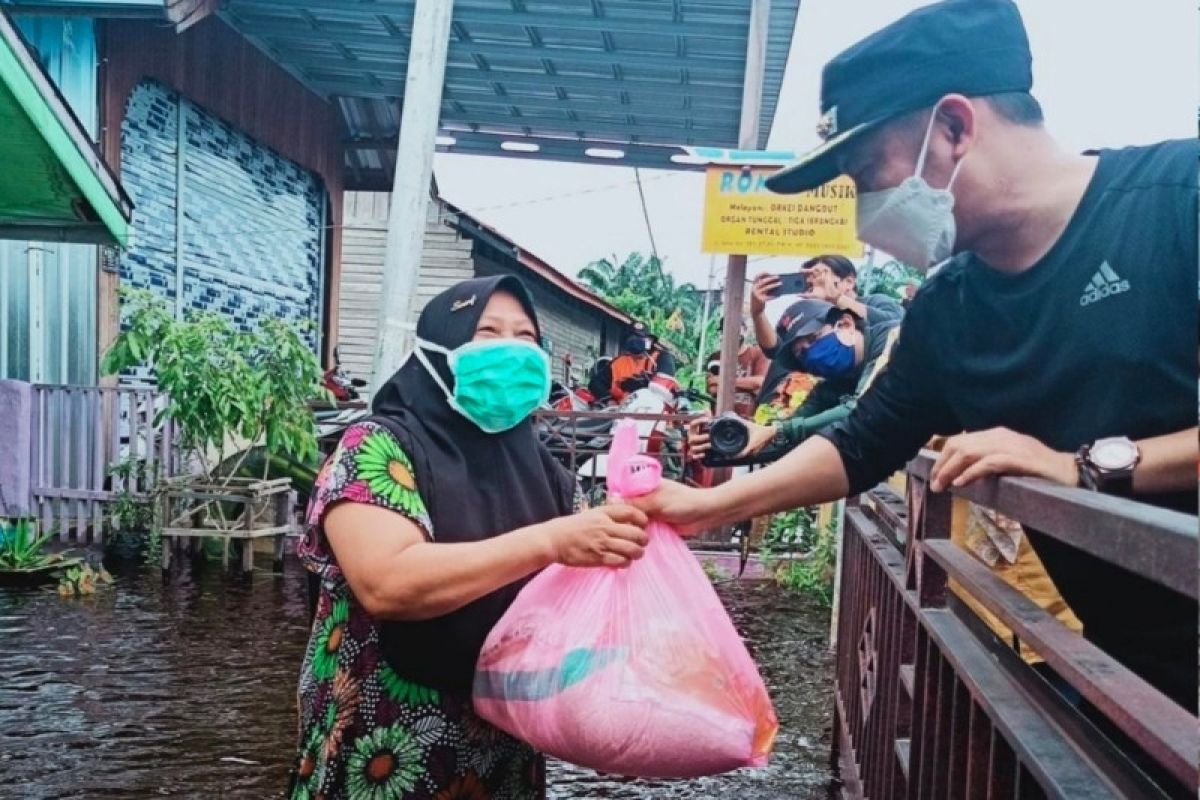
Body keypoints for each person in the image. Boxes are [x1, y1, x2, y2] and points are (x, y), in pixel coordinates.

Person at [632, 0, 1198, 712]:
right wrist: (704, 505)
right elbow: (862, 441)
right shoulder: (951, 309)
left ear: (955, 126)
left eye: (867, 174)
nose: (862, 209)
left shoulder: (1180, 201)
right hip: (1147, 686)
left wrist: (1080, 467)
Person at [288, 276, 649, 799]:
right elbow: (388, 583)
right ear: (440, 347)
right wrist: (551, 540)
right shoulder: (376, 446)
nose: (511, 349)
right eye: (487, 332)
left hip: (503, 741)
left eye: (526, 338)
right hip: (387, 739)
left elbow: (577, 588)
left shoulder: (540, 466)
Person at [693, 299, 901, 462]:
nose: (810, 354)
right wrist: (723, 442)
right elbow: (786, 431)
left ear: (846, 324)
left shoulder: (892, 336)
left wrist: (779, 430)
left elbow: (858, 409)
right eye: (801, 353)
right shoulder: (834, 384)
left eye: (813, 339)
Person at [704, 322, 770, 419]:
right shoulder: (715, 357)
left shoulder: (757, 354)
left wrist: (721, 380)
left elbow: (759, 382)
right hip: (719, 418)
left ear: (745, 331)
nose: (733, 333)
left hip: (748, 419)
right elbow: (712, 389)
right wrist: (746, 384)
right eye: (726, 330)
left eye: (738, 329)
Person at [607, 322, 658, 402]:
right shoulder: (617, 363)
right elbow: (599, 384)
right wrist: (610, 400)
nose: (637, 342)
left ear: (649, 341)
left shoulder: (657, 360)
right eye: (633, 338)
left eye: (641, 338)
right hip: (624, 406)